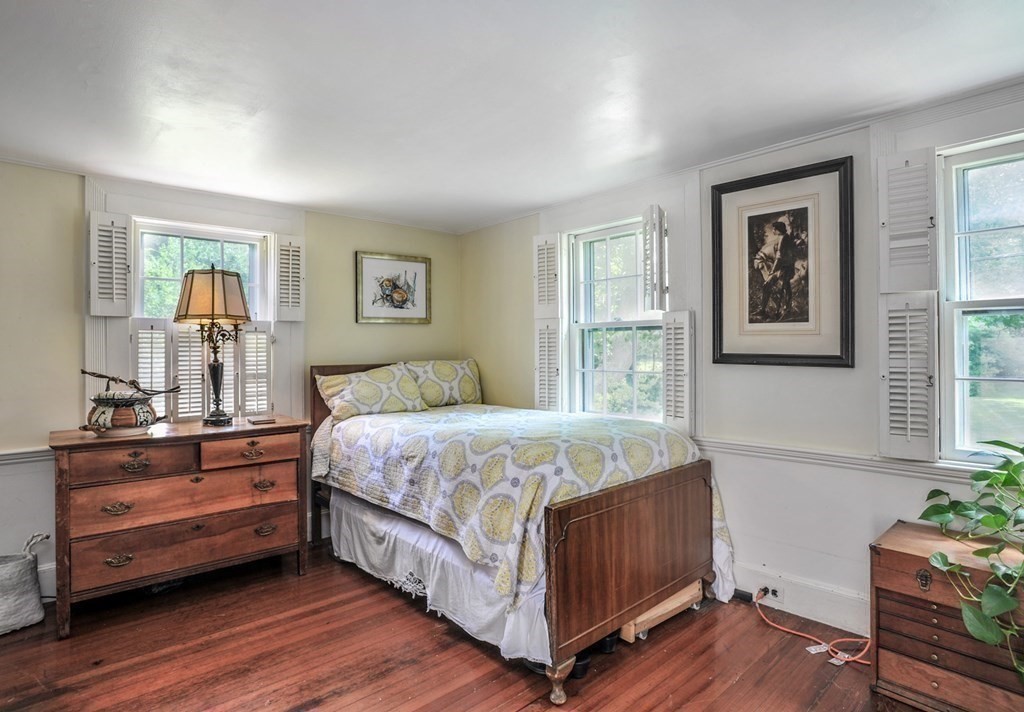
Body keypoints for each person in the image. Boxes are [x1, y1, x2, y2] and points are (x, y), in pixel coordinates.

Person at [756, 221, 798, 321]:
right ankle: (764, 310)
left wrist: (772, 271)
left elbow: (779, 258)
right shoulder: (783, 237)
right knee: (781, 287)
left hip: (784, 268)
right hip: (783, 267)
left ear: (778, 230)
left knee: (782, 287)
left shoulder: (783, 238)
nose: (773, 230)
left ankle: (785, 310)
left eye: (774, 229)